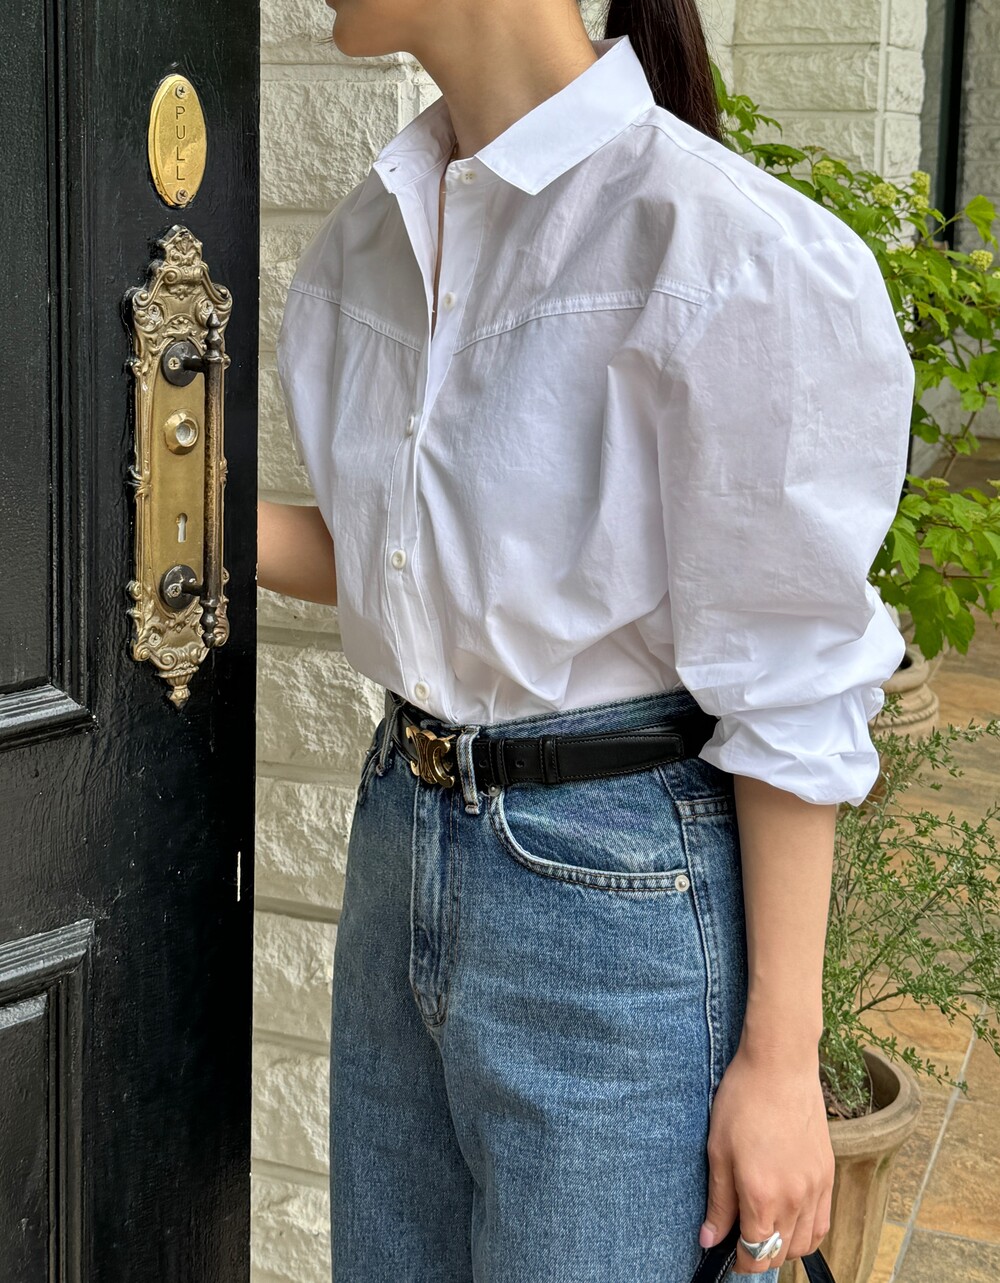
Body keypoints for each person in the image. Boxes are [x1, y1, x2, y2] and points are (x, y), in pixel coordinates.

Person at [258, 0, 914, 1278]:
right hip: (400, 836)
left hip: (612, 897)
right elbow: (402, 561)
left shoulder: (723, 248)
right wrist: (137, 497)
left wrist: (781, 1061)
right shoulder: (369, 239)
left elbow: (787, 680)